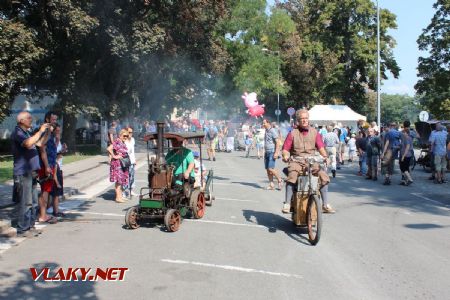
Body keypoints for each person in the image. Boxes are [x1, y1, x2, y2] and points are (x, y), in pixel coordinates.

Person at [281, 109, 334, 214]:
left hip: (311, 161)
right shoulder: (292, 133)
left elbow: (321, 148)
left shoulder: (315, 132)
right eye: (302, 119)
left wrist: (325, 157)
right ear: (298, 121)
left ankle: (325, 204)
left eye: (306, 118)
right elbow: (285, 149)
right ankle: (287, 203)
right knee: (292, 175)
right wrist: (286, 156)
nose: (304, 121)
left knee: (323, 175)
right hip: (296, 160)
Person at [11, 112, 50, 237]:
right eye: (28, 118)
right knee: (26, 202)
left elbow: (39, 143)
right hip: (23, 173)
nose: (31, 119)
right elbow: (28, 144)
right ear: (21, 120)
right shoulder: (18, 132)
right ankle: (23, 229)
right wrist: (40, 131)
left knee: (33, 202)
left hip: (31, 172)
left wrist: (47, 132)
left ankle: (30, 226)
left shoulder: (26, 132)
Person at [37, 111, 59, 224]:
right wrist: (46, 166)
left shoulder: (51, 132)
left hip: (50, 164)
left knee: (47, 190)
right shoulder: (45, 131)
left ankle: (43, 213)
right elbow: (42, 149)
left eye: (56, 119)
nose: (55, 122)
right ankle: (42, 215)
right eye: (53, 119)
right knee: (45, 190)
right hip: (45, 165)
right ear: (47, 119)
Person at [107, 129, 130, 203]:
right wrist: (114, 156)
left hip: (122, 164)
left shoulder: (122, 142)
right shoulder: (117, 141)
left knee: (121, 181)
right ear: (120, 135)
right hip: (117, 164)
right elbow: (109, 148)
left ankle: (120, 197)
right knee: (118, 182)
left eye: (127, 136)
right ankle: (118, 198)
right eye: (124, 136)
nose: (126, 137)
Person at [262, 119, 282, 190]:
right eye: (263, 123)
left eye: (264, 123)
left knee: (271, 168)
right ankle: (271, 184)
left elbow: (277, 142)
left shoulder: (272, 130)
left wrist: (277, 152)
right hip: (267, 152)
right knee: (267, 169)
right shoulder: (266, 130)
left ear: (268, 123)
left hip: (272, 151)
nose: (263, 124)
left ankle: (279, 180)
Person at [123, 126, 137, 198]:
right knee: (126, 176)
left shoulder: (133, 140)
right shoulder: (124, 140)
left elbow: (133, 151)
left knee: (132, 177)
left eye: (132, 132)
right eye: (129, 132)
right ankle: (124, 191)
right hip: (126, 161)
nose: (131, 133)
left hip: (132, 161)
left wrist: (134, 160)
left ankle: (131, 190)